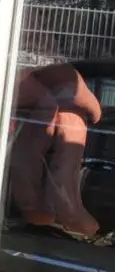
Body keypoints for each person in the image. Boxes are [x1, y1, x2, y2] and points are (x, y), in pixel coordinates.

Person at [8, 60, 103, 238]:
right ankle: (62, 196)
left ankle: (53, 195)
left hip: (19, 64)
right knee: (57, 102)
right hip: (1, 65)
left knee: (66, 108)